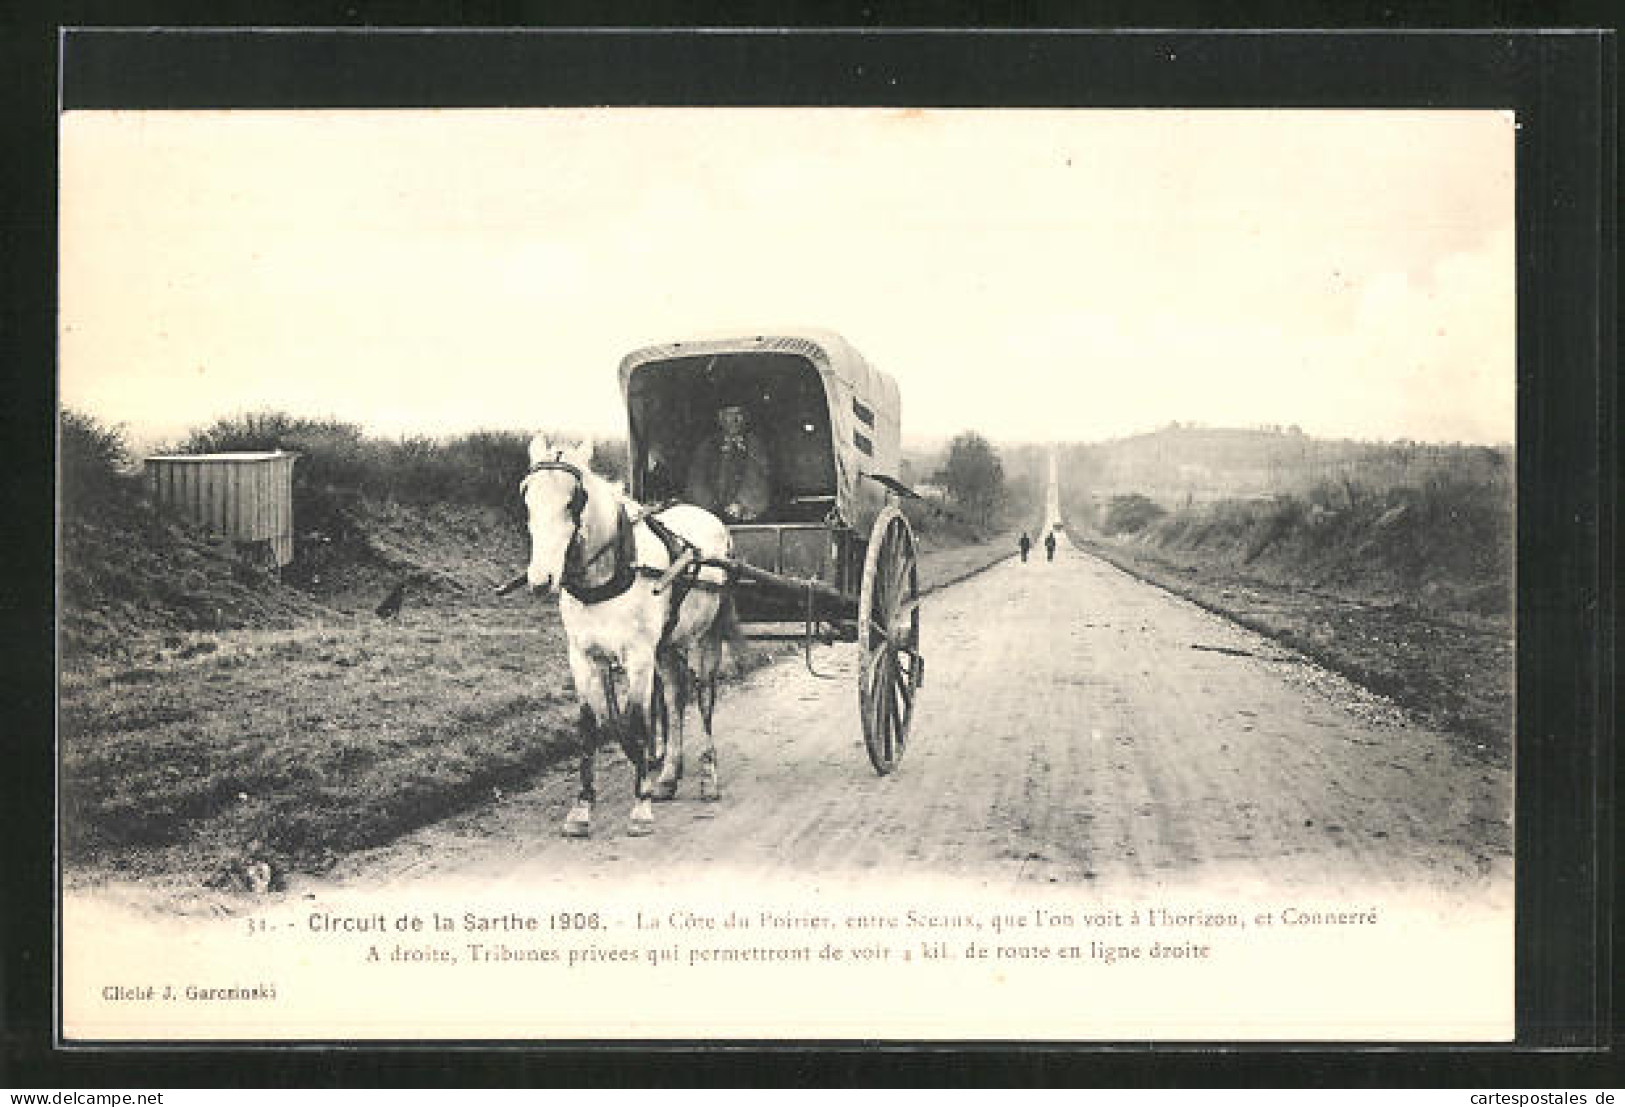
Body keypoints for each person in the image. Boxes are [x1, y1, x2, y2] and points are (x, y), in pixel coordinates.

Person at [686, 405, 772, 523]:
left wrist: (743, 503)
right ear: (720, 418)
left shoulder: (754, 445)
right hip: (710, 516)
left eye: (739, 414)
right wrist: (708, 507)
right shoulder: (707, 446)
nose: (735, 419)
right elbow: (696, 480)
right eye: (729, 414)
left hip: (746, 516)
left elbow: (759, 479)